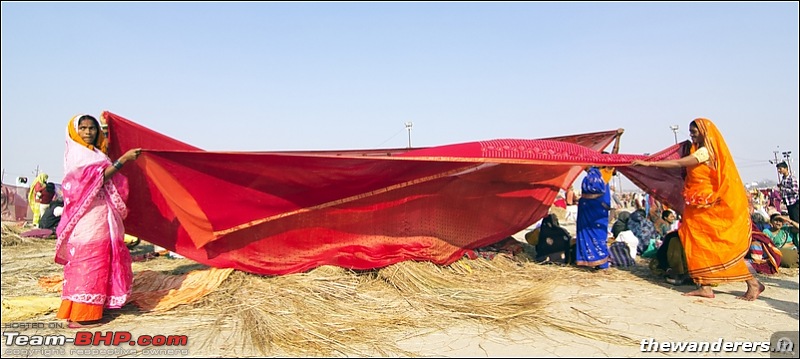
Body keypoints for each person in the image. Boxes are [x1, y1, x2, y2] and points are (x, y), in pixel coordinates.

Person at [632, 118, 764, 300]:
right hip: (696, 207)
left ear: (704, 132)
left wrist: (649, 164)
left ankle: (752, 282)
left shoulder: (705, 152)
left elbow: (681, 163)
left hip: (707, 208)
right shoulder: (695, 148)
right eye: (690, 131)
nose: (691, 135)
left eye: (694, 131)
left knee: (713, 247)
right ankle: (705, 286)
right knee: (696, 245)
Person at [54, 114, 142, 328]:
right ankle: (81, 315)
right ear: (75, 131)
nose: (88, 132)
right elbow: (98, 179)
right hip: (87, 217)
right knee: (89, 261)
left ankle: (91, 308)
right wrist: (124, 160)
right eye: (83, 128)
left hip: (101, 214)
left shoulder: (94, 153)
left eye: (92, 128)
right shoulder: (79, 155)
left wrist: (107, 124)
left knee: (101, 259)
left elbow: (103, 165)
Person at [574, 166, 611, 270]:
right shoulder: (604, 175)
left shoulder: (595, 176)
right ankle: (601, 263)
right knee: (597, 235)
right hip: (596, 211)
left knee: (590, 234)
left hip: (588, 210)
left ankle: (592, 261)